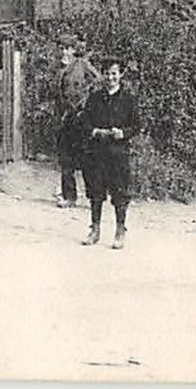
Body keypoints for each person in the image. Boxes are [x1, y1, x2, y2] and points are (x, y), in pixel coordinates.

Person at [80, 56, 140, 249]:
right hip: (97, 151)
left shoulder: (128, 98)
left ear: (120, 74)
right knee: (95, 192)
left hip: (118, 152)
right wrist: (95, 131)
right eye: (107, 73)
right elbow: (85, 121)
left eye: (114, 73)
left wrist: (123, 133)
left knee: (119, 192)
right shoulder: (95, 97)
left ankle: (120, 230)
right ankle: (95, 230)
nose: (110, 77)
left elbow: (137, 125)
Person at [54, 35, 102, 208]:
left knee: (87, 158)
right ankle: (69, 197)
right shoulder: (59, 69)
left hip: (81, 118)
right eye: (61, 48)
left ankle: (94, 197)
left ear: (74, 49)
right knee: (66, 159)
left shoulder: (82, 65)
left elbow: (98, 81)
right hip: (64, 119)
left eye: (67, 48)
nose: (64, 51)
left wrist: (86, 102)